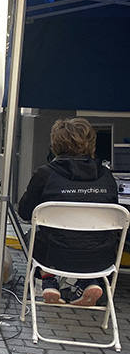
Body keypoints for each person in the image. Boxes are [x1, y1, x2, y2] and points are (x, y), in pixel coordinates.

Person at [18, 118, 120, 306]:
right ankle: (90, 281)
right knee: (85, 240)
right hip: (101, 259)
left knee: (30, 236)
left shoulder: (45, 174)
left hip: (54, 256)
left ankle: (49, 281)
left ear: (55, 144)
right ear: (91, 144)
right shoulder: (107, 177)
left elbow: (24, 212)